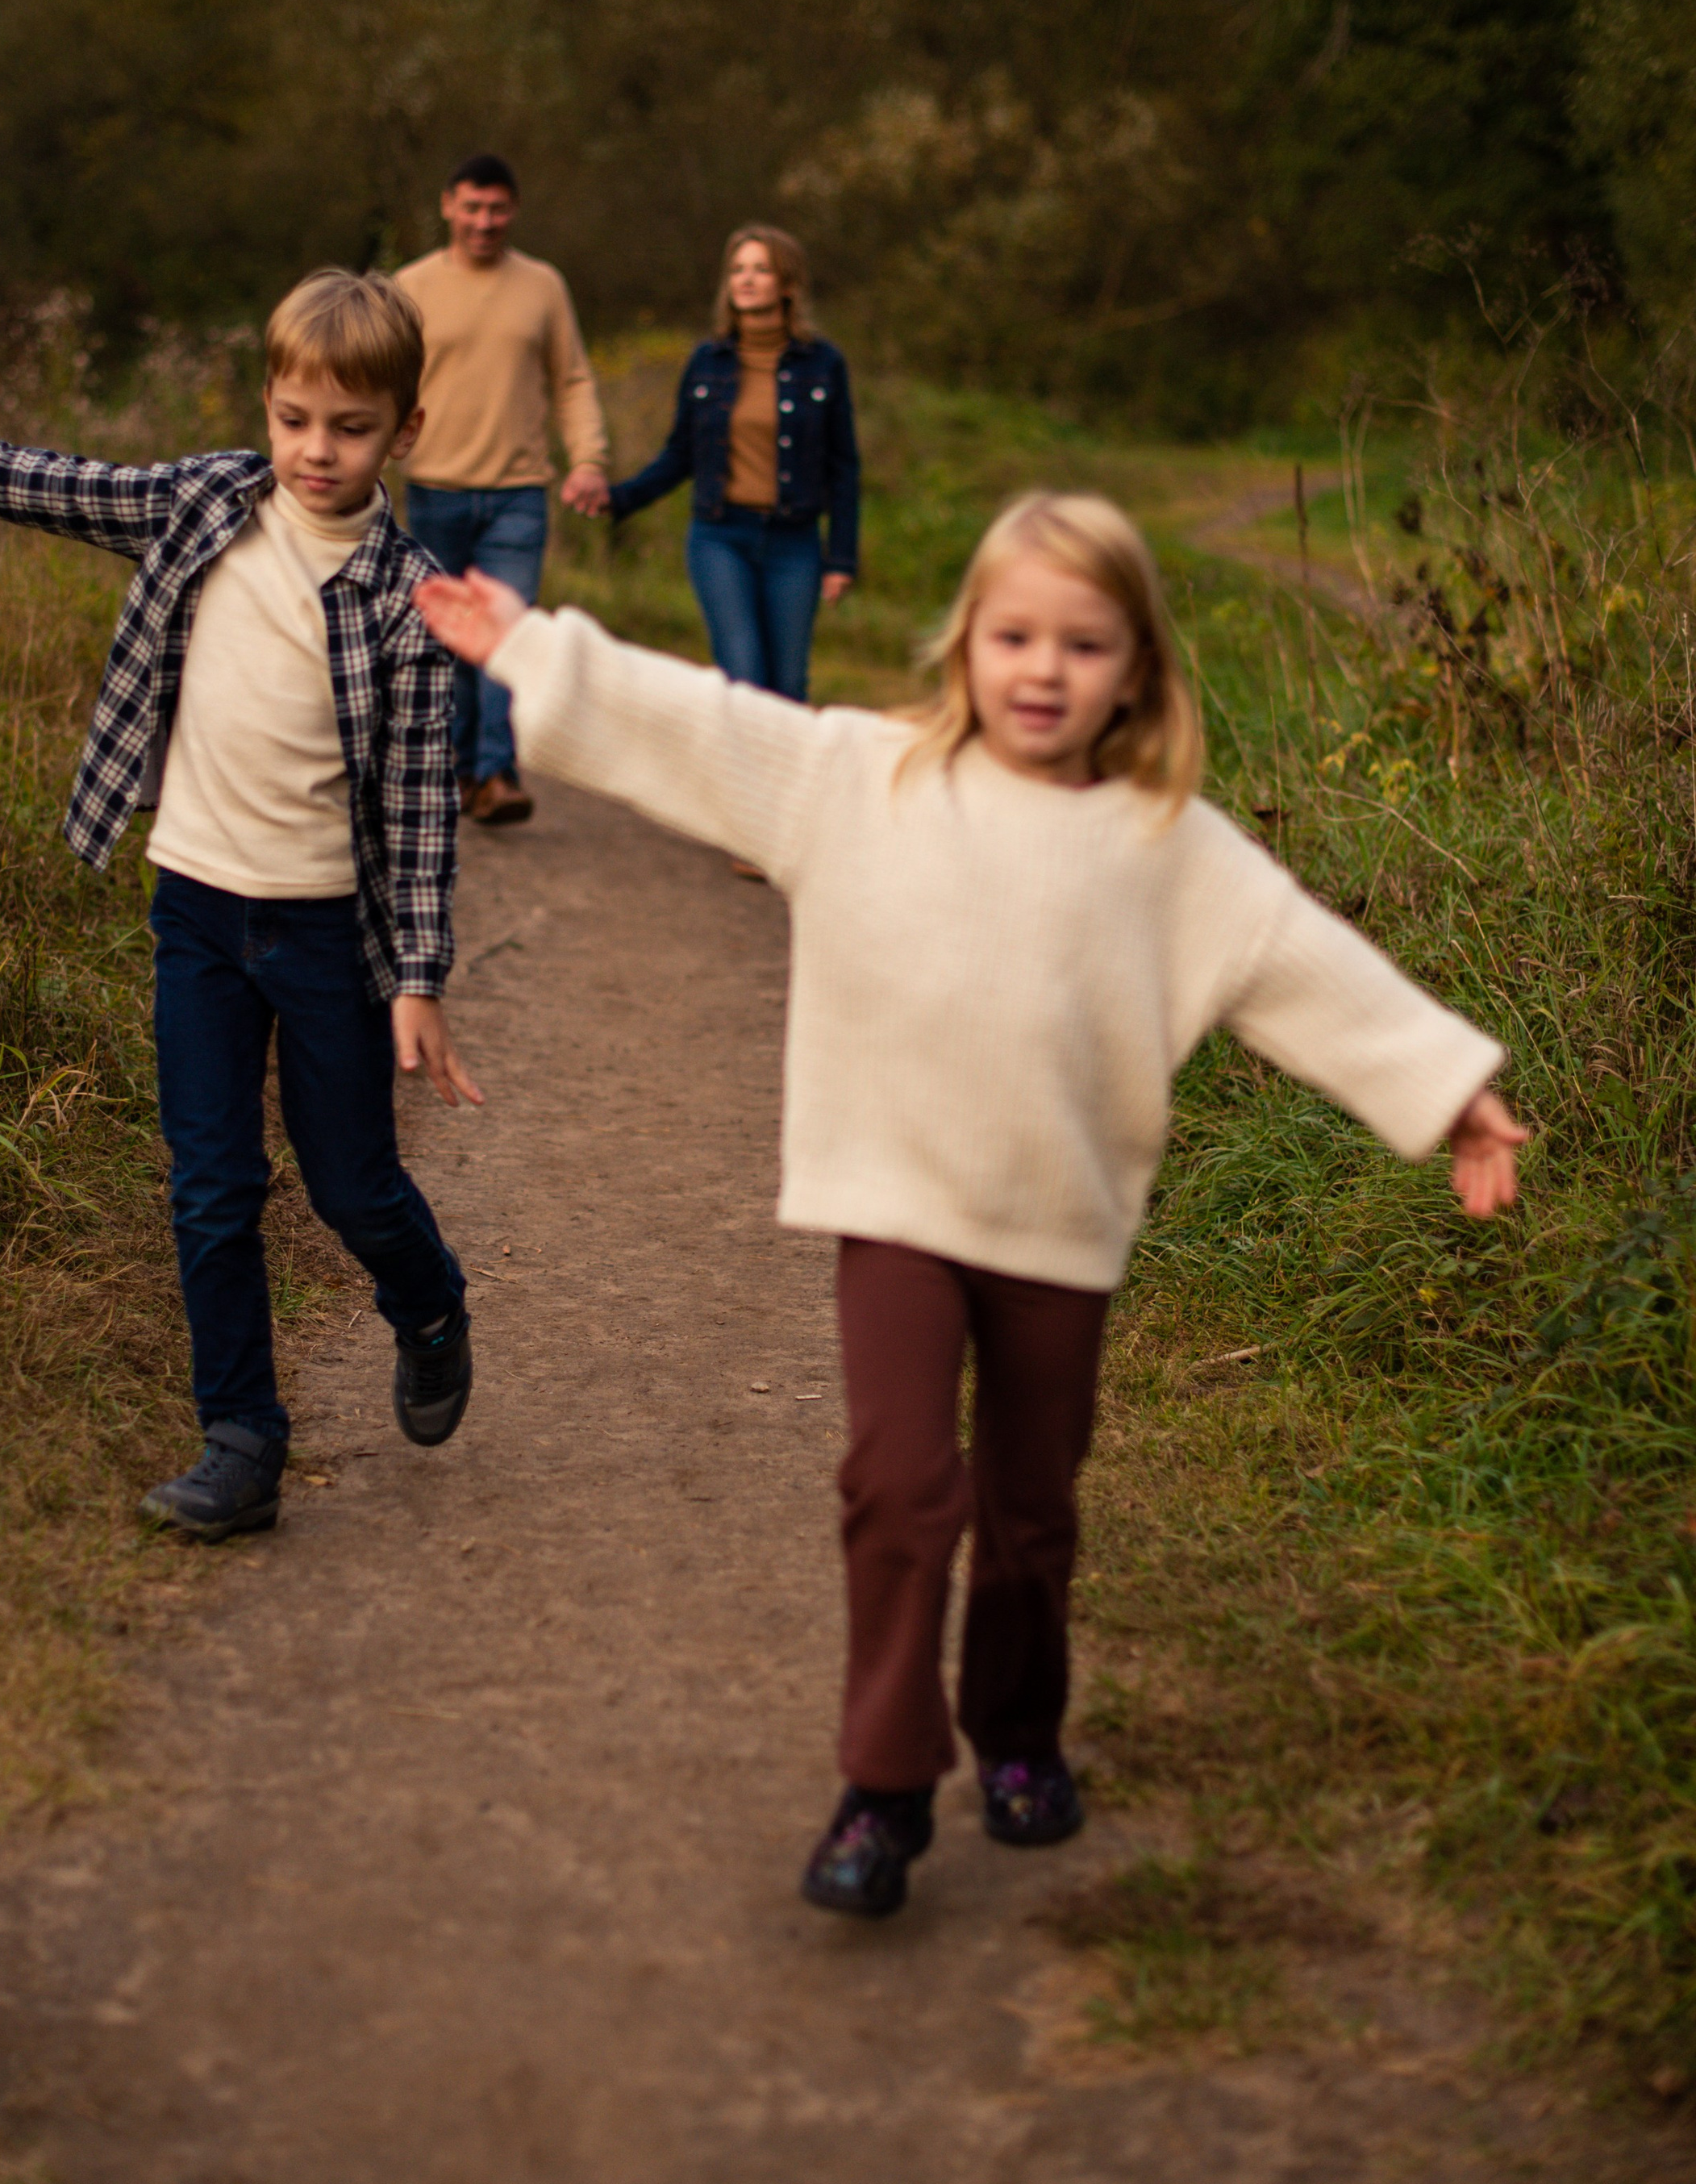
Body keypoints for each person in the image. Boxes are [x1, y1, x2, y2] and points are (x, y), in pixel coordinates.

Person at [412, 491, 1527, 1918]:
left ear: (1137, 669)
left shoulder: (1167, 841)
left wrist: (1451, 1090)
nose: (1043, 669)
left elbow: (1304, 963)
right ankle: (882, 1782)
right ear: (966, 645)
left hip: (1062, 1221)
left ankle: (1017, 1732)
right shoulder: (860, 777)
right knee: (897, 1483)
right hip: (896, 1197)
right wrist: (535, 649)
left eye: (1082, 642)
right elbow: (701, 725)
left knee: (1028, 1505)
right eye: (1015, 635)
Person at [0, 269, 482, 1545]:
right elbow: (42, 480)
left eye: (350, 428)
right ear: (266, 409)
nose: (315, 452)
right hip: (198, 913)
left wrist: (421, 981)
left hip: (324, 934)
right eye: (293, 420)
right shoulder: (205, 504)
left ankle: (429, 1303)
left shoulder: (409, 603)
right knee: (211, 1185)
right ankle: (241, 1442)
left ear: (405, 433)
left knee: (353, 1191)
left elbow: (425, 810)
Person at [395, 152, 611, 829]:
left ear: (512, 210)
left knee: (507, 634)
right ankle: (462, 769)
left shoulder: (543, 285)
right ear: (448, 206)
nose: (484, 222)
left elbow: (572, 378)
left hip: (518, 492)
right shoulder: (412, 286)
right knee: (451, 640)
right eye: (472, 207)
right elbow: (383, 377)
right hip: (434, 489)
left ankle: (496, 772)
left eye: (496, 209)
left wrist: (588, 459)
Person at [608, 225, 860, 706]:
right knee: (743, 676)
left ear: (788, 285)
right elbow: (680, 455)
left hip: (795, 542)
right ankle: (739, 780)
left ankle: (783, 783)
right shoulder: (708, 362)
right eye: (738, 269)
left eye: (761, 270)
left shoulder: (823, 364)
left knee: (788, 687)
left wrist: (841, 558)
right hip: (720, 538)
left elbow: (843, 467)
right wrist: (618, 498)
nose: (745, 279)